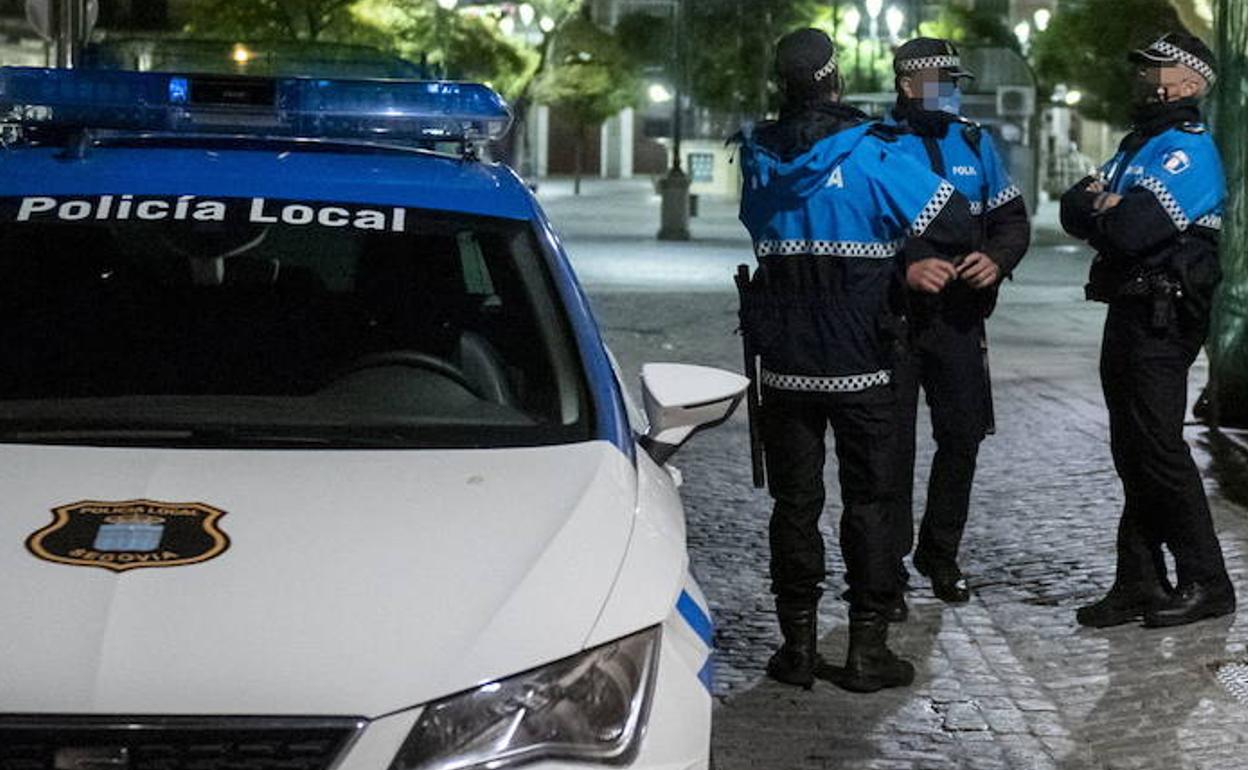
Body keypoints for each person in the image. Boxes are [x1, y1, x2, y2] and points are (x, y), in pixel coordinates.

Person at [735, 28, 973, 692]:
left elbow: (759, 229)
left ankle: (797, 648)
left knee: (794, 504)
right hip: (863, 358)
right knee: (870, 502)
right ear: (835, 82)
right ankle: (866, 650)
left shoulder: (757, 158)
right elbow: (951, 221)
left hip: (783, 362)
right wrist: (898, 242)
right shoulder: (870, 153)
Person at [1060, 32, 1236, 628]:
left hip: (1164, 316)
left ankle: (1207, 581)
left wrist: (1111, 207)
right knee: (1131, 449)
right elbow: (1071, 207)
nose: (1143, 79)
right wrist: (1104, 205)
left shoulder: (1188, 152)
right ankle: (1140, 580)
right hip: (1129, 309)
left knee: (1159, 449)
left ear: (1188, 83)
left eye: (1154, 69)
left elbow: (1132, 230)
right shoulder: (1140, 148)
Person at [884, 38, 1031, 608]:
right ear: (908, 84)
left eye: (956, 82)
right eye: (942, 81)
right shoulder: (878, 147)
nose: (952, 92)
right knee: (891, 447)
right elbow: (863, 232)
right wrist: (905, 267)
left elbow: (1011, 221)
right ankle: (887, 568)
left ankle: (939, 553)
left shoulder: (975, 142)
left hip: (960, 319)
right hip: (896, 322)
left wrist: (997, 260)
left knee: (963, 436)